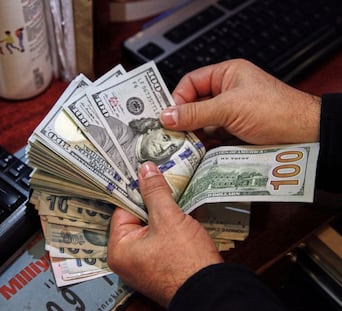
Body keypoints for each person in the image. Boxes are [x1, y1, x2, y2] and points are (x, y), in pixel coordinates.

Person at [107, 59, 342, 310]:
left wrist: (191, 282)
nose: (165, 147)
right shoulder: (118, 131)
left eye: (170, 145)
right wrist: (316, 122)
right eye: (166, 138)